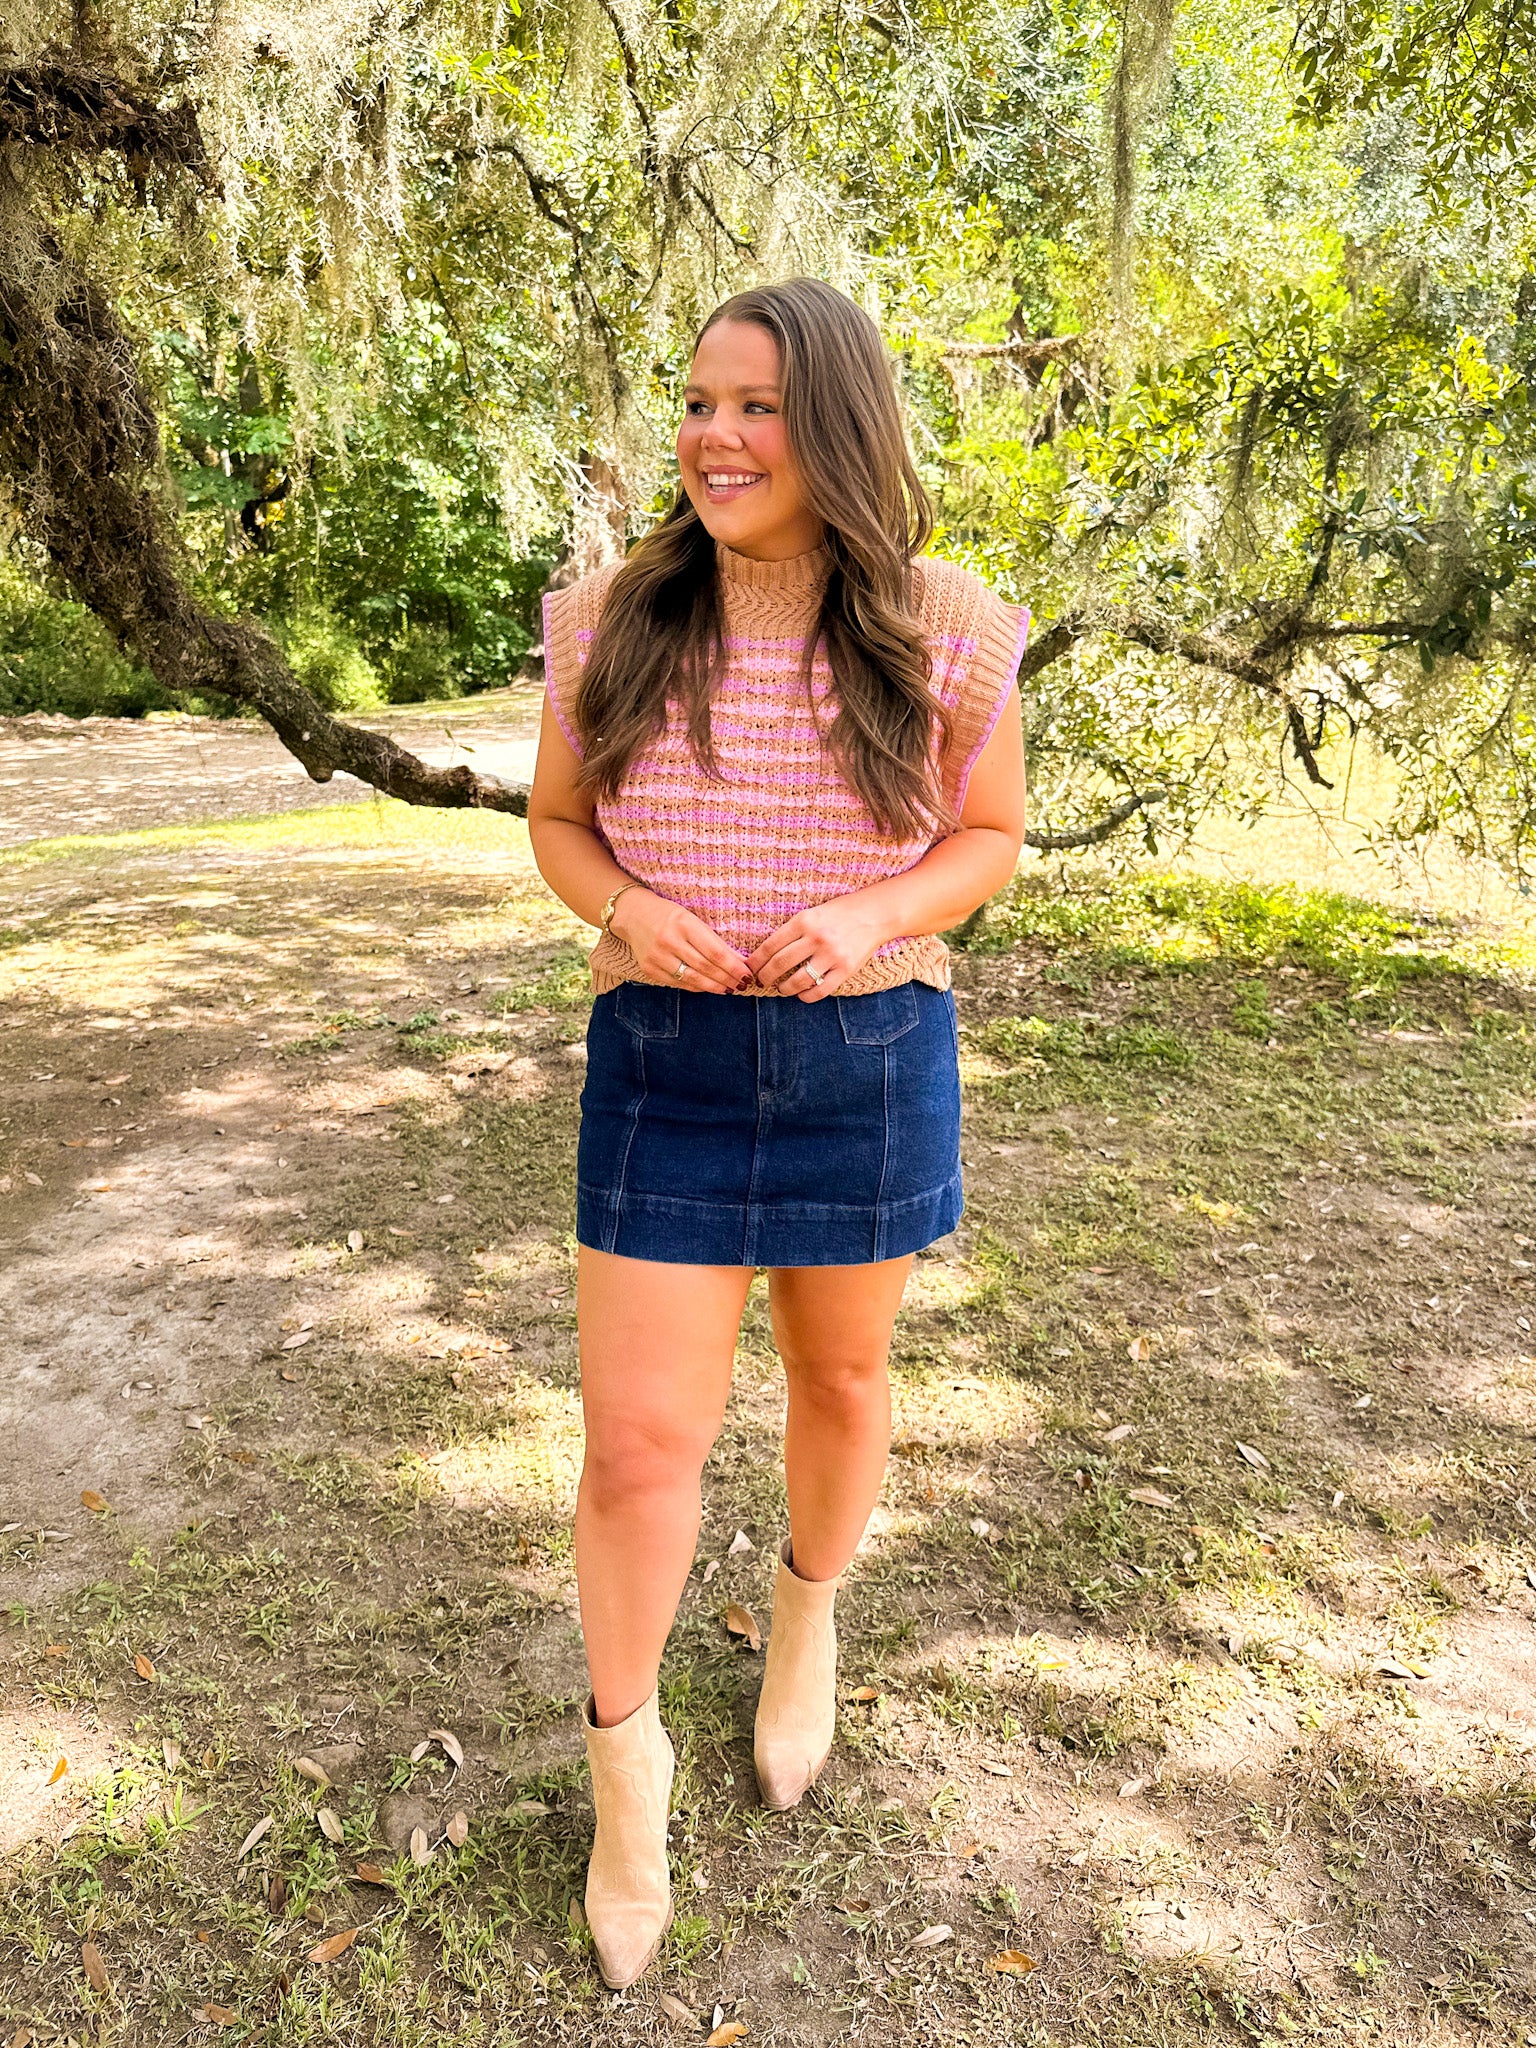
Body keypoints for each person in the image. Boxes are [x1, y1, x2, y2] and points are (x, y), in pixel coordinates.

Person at [527, 277, 1028, 1990]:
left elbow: (988, 836)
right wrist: (624, 907)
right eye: (697, 402)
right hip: (662, 1057)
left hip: (866, 1055)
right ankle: (629, 1782)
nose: (715, 437)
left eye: (756, 407)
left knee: (843, 1379)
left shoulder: (946, 621)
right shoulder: (608, 617)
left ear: (840, 424)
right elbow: (558, 823)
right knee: (636, 1447)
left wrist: (875, 912)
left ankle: (804, 1620)